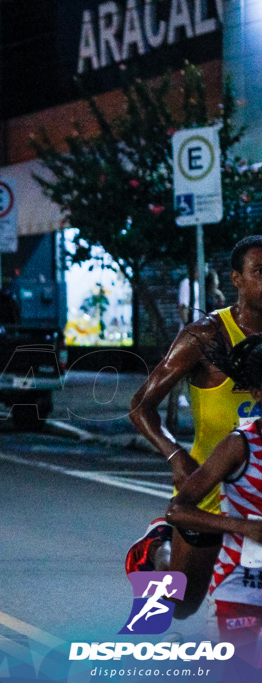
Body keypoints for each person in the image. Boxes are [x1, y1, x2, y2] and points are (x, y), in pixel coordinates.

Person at [129, 235, 262, 623]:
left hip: (257, 487)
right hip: (209, 484)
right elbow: (140, 405)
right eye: (260, 272)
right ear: (236, 278)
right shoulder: (205, 336)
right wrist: (175, 455)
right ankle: (157, 545)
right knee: (181, 604)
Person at [167, 333, 262, 665]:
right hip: (241, 591)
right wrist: (241, 526)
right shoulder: (240, 446)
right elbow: (177, 510)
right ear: (257, 393)